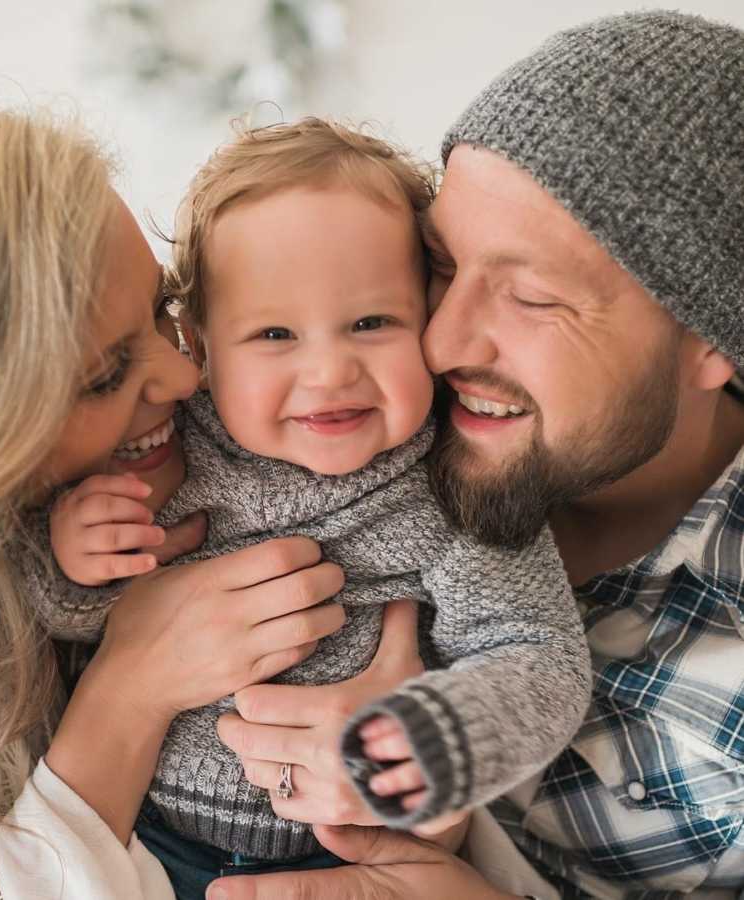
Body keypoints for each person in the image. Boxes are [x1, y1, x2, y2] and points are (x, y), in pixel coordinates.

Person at [206, 10, 744, 899]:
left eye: (532, 297)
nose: (443, 340)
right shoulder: (335, 418)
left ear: (712, 342)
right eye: (442, 265)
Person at [29, 117, 591, 898]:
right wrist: (73, 564)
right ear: (200, 343)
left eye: (371, 323)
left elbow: (539, 655)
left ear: (430, 314)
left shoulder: (453, 480)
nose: (328, 372)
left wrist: (441, 734)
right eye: (273, 334)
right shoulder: (168, 448)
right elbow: (72, 624)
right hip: (149, 842)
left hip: (350, 856)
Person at [0, 105, 353, 899]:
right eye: (103, 376)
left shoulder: (212, 443)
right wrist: (132, 686)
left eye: (162, 309)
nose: (185, 379)